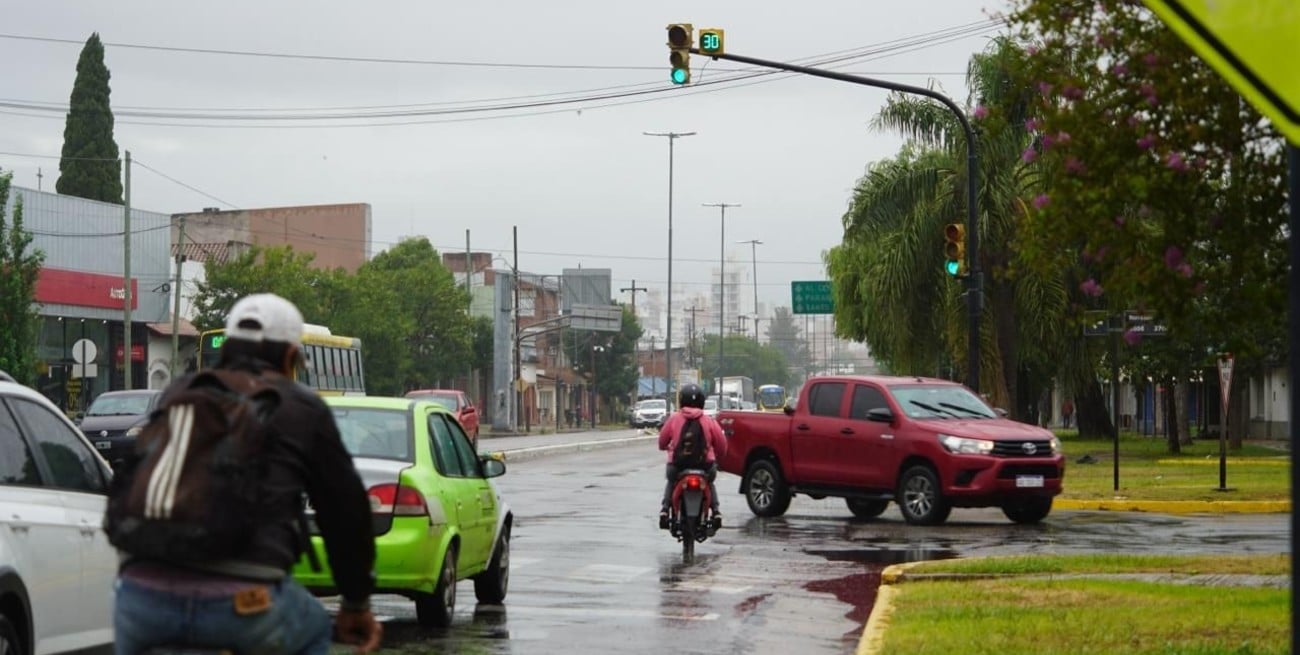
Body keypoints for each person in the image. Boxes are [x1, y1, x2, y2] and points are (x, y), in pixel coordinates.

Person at [111, 293, 383, 654]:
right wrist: (355, 603)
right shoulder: (302, 406)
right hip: (245, 603)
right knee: (317, 630)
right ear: (290, 357)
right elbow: (344, 512)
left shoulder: (178, 393)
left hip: (139, 598)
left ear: (227, 349)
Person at [658, 383, 728, 529]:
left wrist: (667, 447)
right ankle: (716, 511)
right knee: (710, 482)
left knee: (671, 480)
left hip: (678, 465)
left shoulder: (674, 419)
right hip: (705, 466)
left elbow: (662, 442)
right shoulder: (709, 421)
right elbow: (722, 445)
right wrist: (719, 456)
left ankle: (664, 510)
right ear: (702, 401)